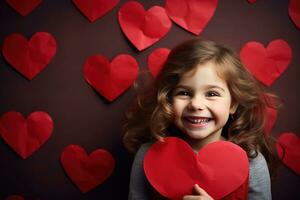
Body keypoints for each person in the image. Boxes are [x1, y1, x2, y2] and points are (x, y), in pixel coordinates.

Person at [123, 39, 278, 200]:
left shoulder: (251, 162)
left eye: (212, 94)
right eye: (184, 93)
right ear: (168, 99)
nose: (196, 104)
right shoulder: (148, 155)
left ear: (233, 104)